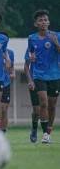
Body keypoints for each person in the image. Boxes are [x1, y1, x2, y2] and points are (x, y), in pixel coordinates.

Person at [26, 9, 60, 143]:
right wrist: (31, 58)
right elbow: (30, 56)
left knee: (52, 105)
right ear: (36, 24)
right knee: (43, 103)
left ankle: (49, 130)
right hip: (39, 75)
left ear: (49, 22)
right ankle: (45, 133)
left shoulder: (56, 35)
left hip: (55, 75)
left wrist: (56, 42)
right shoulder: (31, 38)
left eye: (45, 20)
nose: (43, 22)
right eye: (40, 20)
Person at [1, 35, 15, 133]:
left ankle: (3, 130)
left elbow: (11, 66)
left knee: (4, 109)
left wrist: (13, 73)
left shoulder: (10, 53)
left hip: (6, 83)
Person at [24, 48, 39, 143]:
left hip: (51, 80)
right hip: (35, 82)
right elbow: (26, 66)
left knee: (49, 107)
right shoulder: (31, 48)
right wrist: (30, 81)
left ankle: (47, 133)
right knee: (37, 110)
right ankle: (34, 130)